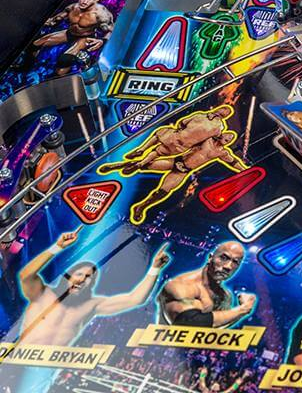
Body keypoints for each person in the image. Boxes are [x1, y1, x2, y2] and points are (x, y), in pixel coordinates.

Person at [18, 227, 170, 345]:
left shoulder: (91, 305)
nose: (83, 279)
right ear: (67, 276)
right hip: (20, 359)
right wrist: (57, 247)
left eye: (88, 277)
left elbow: (135, 299)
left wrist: (154, 268)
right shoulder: (43, 294)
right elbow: (26, 275)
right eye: (79, 274)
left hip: (48, 367)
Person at [98, 106, 247, 224]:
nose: (227, 139)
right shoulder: (207, 139)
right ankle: (117, 166)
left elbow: (234, 162)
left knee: (163, 191)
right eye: (227, 136)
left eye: (230, 140)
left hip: (183, 171)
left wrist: (246, 170)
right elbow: (191, 130)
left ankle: (141, 207)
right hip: (177, 161)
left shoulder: (222, 153)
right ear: (221, 135)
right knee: (143, 165)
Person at [158, 241, 256, 328]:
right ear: (210, 258)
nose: (228, 266)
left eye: (235, 262)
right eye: (223, 258)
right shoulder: (181, 285)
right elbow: (189, 323)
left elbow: (213, 329)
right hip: (162, 342)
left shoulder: (225, 296)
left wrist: (241, 312)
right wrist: (243, 309)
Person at [31, 0, 113, 76]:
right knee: (36, 44)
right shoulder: (72, 7)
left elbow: (111, 31)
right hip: (70, 33)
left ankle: (66, 75)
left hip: (85, 38)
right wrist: (48, 21)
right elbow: (55, 20)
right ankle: (30, 66)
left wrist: (102, 41)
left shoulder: (101, 14)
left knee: (64, 60)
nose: (84, 2)